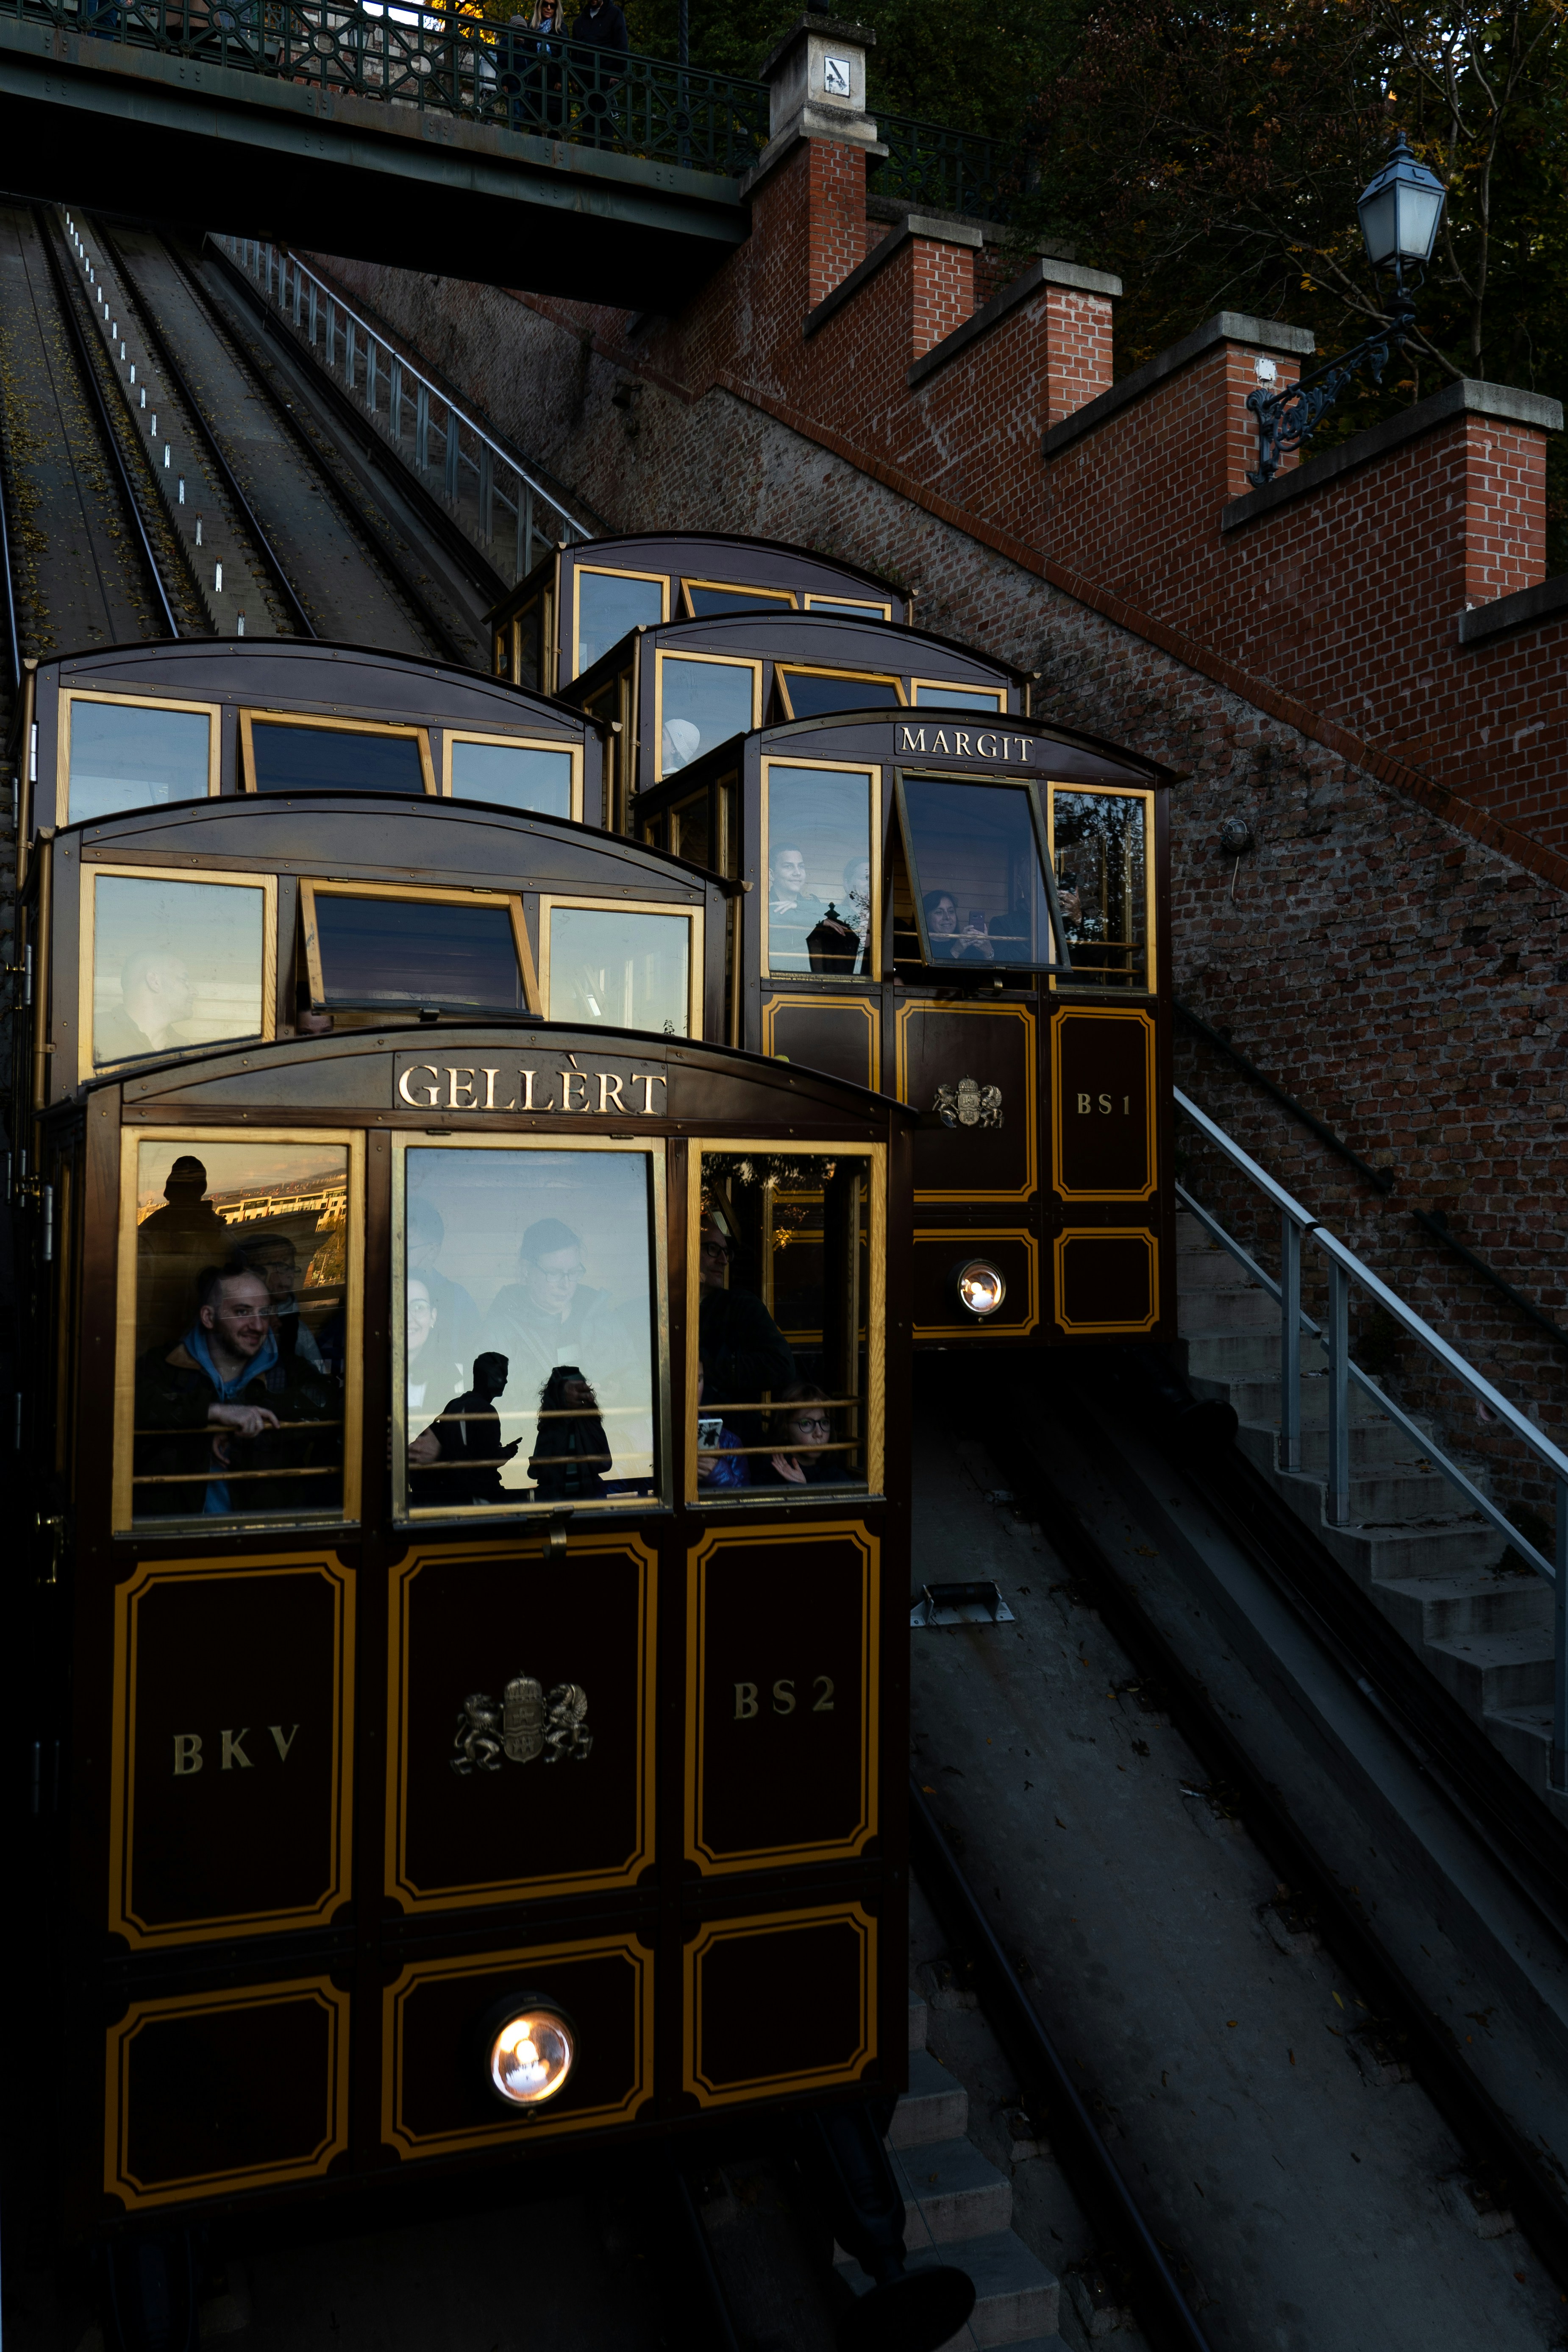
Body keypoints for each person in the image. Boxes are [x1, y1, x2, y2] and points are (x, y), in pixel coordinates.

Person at [133, 1260, 339, 1516]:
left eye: (264, 1313)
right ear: (209, 1317)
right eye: (243, 1312)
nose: (258, 1326)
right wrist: (212, 1413)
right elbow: (128, 1405)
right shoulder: (165, 1364)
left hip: (262, 1542)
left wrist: (249, 1414)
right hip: (174, 1539)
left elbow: (331, 1401)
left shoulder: (285, 1370)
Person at [480, 1215, 640, 1420]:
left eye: (573, 1272)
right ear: (526, 1271)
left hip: (602, 1446)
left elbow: (642, 1385)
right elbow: (486, 1408)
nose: (566, 1285)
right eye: (554, 1274)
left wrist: (620, 1393)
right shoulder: (498, 1333)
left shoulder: (603, 1320)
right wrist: (555, 1401)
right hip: (536, 1449)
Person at [696, 1211, 794, 1409]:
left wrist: (704, 1369)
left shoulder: (741, 1306)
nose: (723, 1260)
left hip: (736, 1434)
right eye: (713, 1249)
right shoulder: (662, 1307)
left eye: (726, 1252)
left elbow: (782, 1366)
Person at [412, 1351, 522, 1504]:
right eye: (503, 1375)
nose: (506, 1381)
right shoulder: (485, 1411)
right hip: (481, 1497)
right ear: (489, 1376)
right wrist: (509, 1451)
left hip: (457, 1494)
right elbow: (489, 1460)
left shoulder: (454, 1405)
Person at [408, 1194, 481, 1380]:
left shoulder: (459, 1300)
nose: (394, 1253)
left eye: (406, 1248)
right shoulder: (381, 1290)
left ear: (432, 1250)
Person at [231, 1230, 326, 1369]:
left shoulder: (298, 1331)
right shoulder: (231, 1322)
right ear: (253, 1271)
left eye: (292, 1268)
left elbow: (319, 1377)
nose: (290, 1275)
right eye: (282, 1267)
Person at [95, 946, 197, 1063]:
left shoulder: (183, 1049)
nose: (195, 992)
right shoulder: (94, 1034)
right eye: (185, 981)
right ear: (155, 982)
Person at [528, 1364, 612, 1499]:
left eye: (583, 1389)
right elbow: (536, 1473)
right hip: (558, 1502)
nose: (581, 1394)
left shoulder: (590, 1425)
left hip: (589, 1499)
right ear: (560, 1393)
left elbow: (606, 1463)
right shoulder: (551, 1429)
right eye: (574, 1389)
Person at [755, 1382, 843, 1487]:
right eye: (806, 1423)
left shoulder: (833, 1472)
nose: (819, 1433)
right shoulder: (771, 1472)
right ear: (785, 1429)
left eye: (825, 1422)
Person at [767, 841, 828, 972]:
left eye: (801, 867)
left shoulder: (815, 907)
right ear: (772, 875)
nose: (797, 873)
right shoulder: (762, 906)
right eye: (788, 867)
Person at [695, 1359, 747, 1489]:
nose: (691, 1390)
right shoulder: (643, 1437)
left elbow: (743, 1503)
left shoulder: (730, 1443)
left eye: (698, 1380)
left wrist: (717, 1473)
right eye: (681, 1380)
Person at [923, 889, 995, 963]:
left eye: (951, 912)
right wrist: (955, 952)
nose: (947, 917)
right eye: (939, 912)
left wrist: (988, 952)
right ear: (926, 917)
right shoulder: (923, 947)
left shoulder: (968, 945)